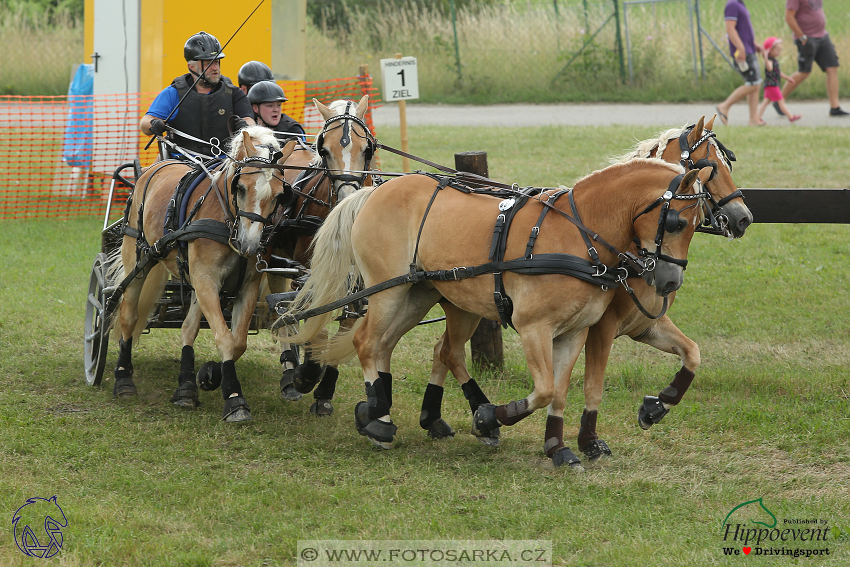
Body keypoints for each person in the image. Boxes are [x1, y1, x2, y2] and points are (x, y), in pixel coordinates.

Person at [140, 31, 255, 158]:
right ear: (192, 67)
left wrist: (245, 125)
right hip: (181, 161)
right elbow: (145, 124)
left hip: (225, 162)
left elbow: (250, 121)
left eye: (217, 62)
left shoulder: (234, 93)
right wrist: (154, 124)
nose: (215, 68)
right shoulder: (173, 93)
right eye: (208, 64)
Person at [776, 0, 848, 117]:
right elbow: (789, 17)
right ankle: (779, 100)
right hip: (806, 38)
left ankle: (835, 107)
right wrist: (802, 37)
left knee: (832, 67)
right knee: (804, 72)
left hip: (822, 36)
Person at [716, 0, 764, 126]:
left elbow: (743, 32)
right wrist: (741, 49)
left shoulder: (739, 4)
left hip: (749, 50)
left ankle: (753, 119)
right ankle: (724, 106)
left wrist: (754, 45)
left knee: (754, 83)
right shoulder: (732, 4)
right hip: (743, 52)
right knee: (754, 84)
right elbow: (730, 29)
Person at [757, 37, 801, 123]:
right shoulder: (769, 61)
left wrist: (788, 78)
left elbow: (778, 73)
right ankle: (791, 117)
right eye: (777, 50)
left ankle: (758, 117)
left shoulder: (774, 61)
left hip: (771, 84)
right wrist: (765, 58)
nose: (779, 52)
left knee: (765, 102)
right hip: (772, 85)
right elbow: (769, 69)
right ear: (770, 51)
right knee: (781, 101)